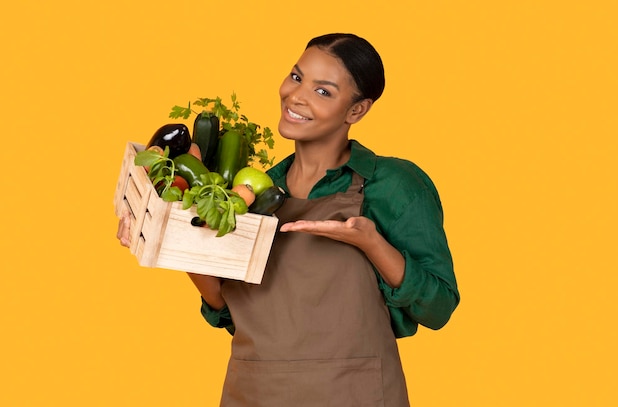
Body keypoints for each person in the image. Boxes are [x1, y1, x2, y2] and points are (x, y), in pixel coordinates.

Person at [118, 33, 459, 406]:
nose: (296, 96)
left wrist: (370, 242)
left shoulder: (392, 185)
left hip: (353, 395)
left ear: (356, 111)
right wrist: (176, 241)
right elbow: (231, 313)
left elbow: (438, 307)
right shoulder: (248, 195)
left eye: (323, 91)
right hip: (254, 393)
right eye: (296, 77)